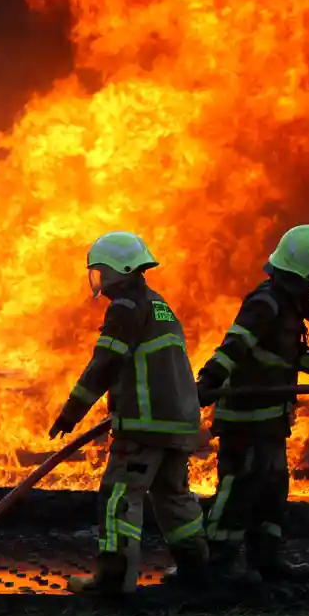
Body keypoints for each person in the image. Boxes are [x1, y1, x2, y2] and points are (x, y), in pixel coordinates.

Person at [49, 231, 208, 595]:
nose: (100, 280)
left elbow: (106, 362)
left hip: (143, 425)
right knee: (174, 497)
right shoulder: (157, 303)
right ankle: (198, 573)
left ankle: (113, 581)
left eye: (102, 272)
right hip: (177, 423)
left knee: (119, 496)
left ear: (120, 270)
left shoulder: (125, 307)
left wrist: (72, 411)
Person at [193, 224, 309, 584]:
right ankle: (218, 565)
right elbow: (234, 345)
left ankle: (266, 561)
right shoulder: (265, 302)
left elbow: (289, 354)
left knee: (272, 493)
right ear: (307, 271)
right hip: (245, 421)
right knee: (237, 491)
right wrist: (208, 381)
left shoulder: (286, 304)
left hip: (270, 422)